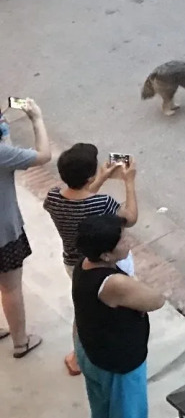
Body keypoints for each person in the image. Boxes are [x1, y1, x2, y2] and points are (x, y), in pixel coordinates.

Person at [43, 146, 139, 377]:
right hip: (105, 265)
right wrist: (129, 182)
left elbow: (81, 197)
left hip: (73, 263)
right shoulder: (103, 204)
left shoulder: (53, 197)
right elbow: (131, 219)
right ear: (88, 177)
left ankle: (77, 356)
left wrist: (101, 178)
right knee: (112, 309)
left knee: (83, 308)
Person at [72, 214, 166, 418]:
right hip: (118, 364)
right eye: (122, 240)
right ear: (106, 255)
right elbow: (156, 300)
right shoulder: (114, 284)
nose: (129, 242)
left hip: (90, 350)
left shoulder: (84, 265)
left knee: (102, 413)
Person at [0, 98, 51, 359]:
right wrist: (36, 119)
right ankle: (20, 342)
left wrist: (4, 134)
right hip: (3, 233)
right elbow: (43, 155)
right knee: (10, 287)